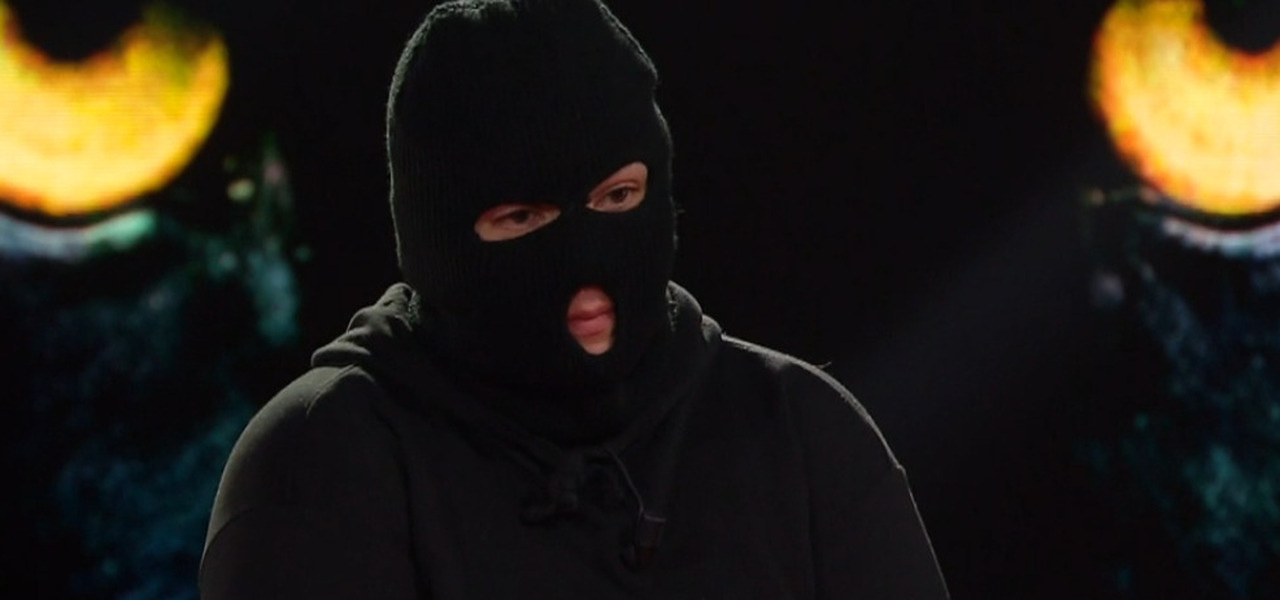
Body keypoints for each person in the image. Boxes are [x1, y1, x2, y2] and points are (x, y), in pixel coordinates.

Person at [199, 0, 950, 597]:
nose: (585, 263)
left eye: (617, 197)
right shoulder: (318, 465)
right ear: (435, 236)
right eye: (523, 219)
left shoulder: (801, 431)